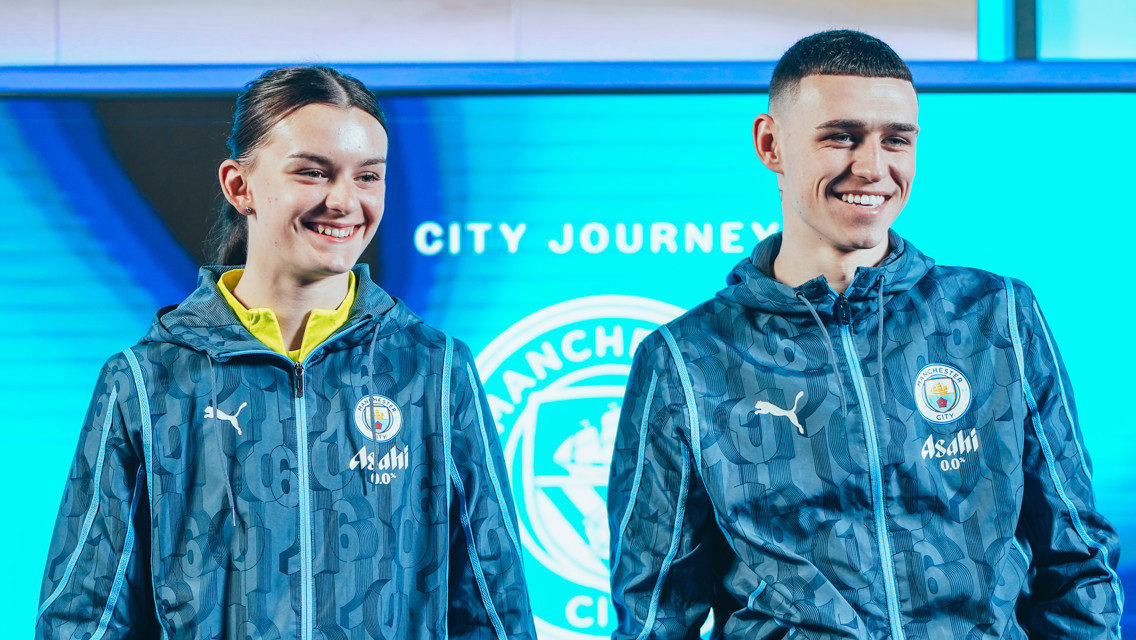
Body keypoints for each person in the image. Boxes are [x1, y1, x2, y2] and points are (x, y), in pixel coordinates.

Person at [607, 30, 1122, 639]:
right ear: (770, 144)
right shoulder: (686, 360)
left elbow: (1077, 559)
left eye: (896, 140)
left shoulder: (996, 316)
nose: (873, 167)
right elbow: (655, 613)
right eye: (841, 137)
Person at [36, 65, 535, 640]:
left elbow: (495, 607)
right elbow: (83, 617)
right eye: (312, 173)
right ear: (238, 185)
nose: (345, 201)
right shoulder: (148, 381)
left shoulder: (434, 370)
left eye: (367, 176)